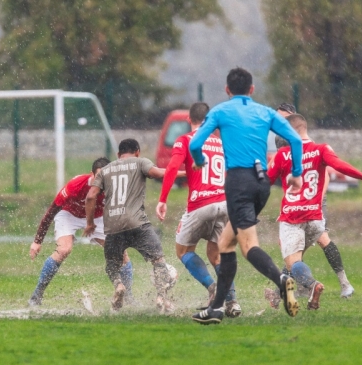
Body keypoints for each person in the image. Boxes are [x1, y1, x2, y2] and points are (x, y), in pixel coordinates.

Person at [189, 67, 304, 324]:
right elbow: (295, 140)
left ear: (227, 90)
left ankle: (281, 279)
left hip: (238, 183)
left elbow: (195, 144)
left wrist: (199, 161)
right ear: (252, 90)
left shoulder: (220, 110)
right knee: (225, 244)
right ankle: (217, 308)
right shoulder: (264, 111)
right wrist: (296, 173)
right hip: (262, 183)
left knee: (248, 245)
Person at [266, 114, 362, 310]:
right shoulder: (321, 149)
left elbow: (265, 182)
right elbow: (340, 166)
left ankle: (312, 286)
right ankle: (284, 293)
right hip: (315, 217)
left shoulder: (283, 154)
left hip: (292, 217)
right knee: (299, 256)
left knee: (294, 263)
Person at [155, 102, 240, 317]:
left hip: (200, 204)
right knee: (217, 254)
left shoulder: (185, 140)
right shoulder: (222, 143)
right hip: (225, 203)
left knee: (183, 251)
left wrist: (162, 199)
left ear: (188, 120)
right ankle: (232, 302)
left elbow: (173, 167)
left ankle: (213, 289)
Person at [84, 139, 175, 313]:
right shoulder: (140, 162)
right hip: (137, 223)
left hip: (113, 226)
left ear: (118, 155)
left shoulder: (105, 170)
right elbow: (158, 173)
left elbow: (90, 196)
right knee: (158, 260)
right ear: (138, 152)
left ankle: (119, 286)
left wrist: (89, 223)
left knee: (112, 265)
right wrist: (183, 172)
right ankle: (161, 296)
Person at [28, 157, 134, 306]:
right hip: (69, 214)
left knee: (121, 254)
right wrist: (37, 241)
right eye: (99, 177)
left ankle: (129, 298)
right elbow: (52, 210)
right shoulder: (75, 186)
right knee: (64, 250)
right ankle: (36, 295)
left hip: (97, 218)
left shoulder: (115, 189)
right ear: (91, 174)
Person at [275, 104, 356, 298]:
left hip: (314, 201)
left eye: (282, 117)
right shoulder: (282, 138)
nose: (279, 121)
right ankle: (292, 291)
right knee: (294, 253)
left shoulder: (302, 140)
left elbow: (325, 171)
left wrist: (318, 199)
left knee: (321, 239)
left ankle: (344, 284)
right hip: (296, 204)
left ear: (292, 118)